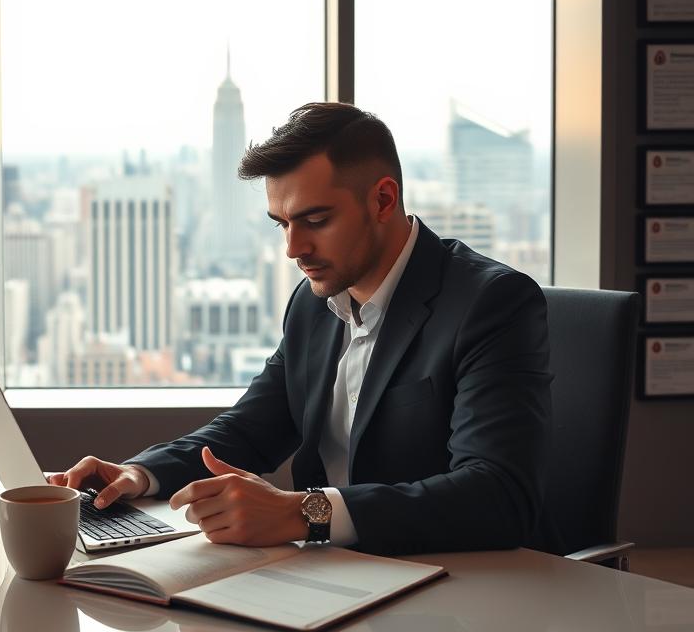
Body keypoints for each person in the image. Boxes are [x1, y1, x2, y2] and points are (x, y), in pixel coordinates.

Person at [50, 102, 553, 555]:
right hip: (325, 581)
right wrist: (141, 474)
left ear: (382, 200)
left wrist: (303, 512)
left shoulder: (491, 303)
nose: (293, 249)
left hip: (449, 597)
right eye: (281, 223)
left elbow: (498, 495)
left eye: (315, 220)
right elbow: (251, 427)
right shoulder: (315, 303)